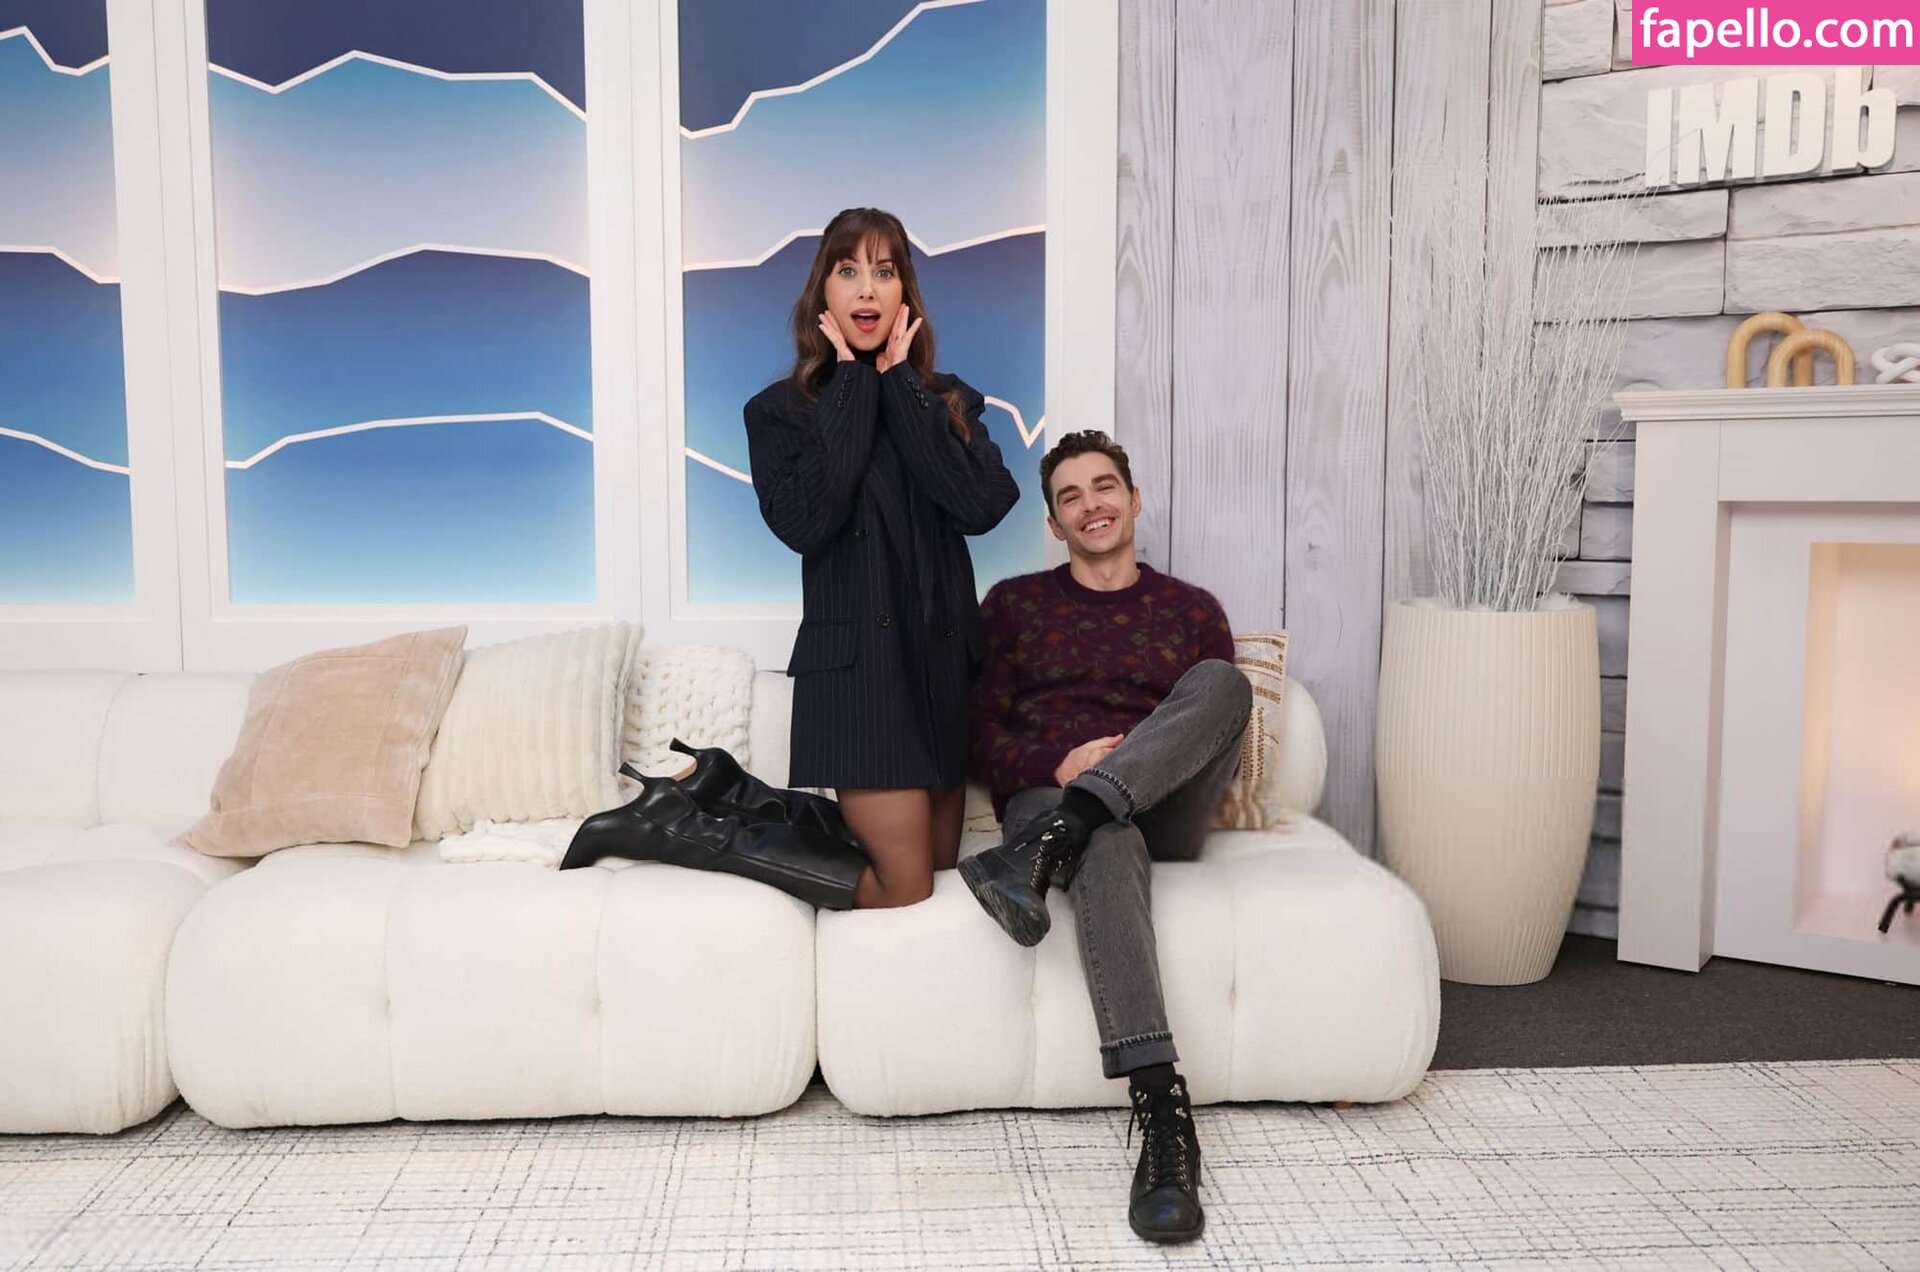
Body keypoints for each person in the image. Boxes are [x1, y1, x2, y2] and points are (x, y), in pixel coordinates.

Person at [562, 208, 1018, 910]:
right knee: (905, 885)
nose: (866, 288)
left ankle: (728, 794)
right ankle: (675, 827)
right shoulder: (781, 411)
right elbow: (806, 522)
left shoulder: (945, 399)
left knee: (935, 865)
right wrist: (853, 384)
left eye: (884, 271)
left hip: (941, 674)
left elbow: (980, 506)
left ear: (905, 293)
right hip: (861, 678)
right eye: (848, 270)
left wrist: (900, 384)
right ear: (823, 294)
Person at [961, 429, 1249, 1244]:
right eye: (1071, 496)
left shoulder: (1192, 610)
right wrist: (1059, 764)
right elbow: (976, 738)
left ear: (1133, 499)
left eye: (1104, 487)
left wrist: (1100, 784)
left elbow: (1213, 723)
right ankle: (1163, 1119)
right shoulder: (1012, 607)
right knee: (1106, 839)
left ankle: (1069, 829)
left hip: (1163, 801)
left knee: (1222, 682)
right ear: (1054, 524)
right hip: (1048, 798)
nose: (1091, 505)